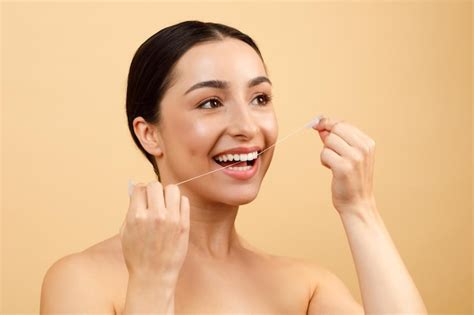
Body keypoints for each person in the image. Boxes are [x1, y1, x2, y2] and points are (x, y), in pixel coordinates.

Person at [40, 20, 427, 315]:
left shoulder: (306, 286)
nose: (247, 127)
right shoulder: (81, 280)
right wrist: (151, 285)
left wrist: (360, 209)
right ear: (149, 134)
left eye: (259, 98)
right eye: (210, 102)